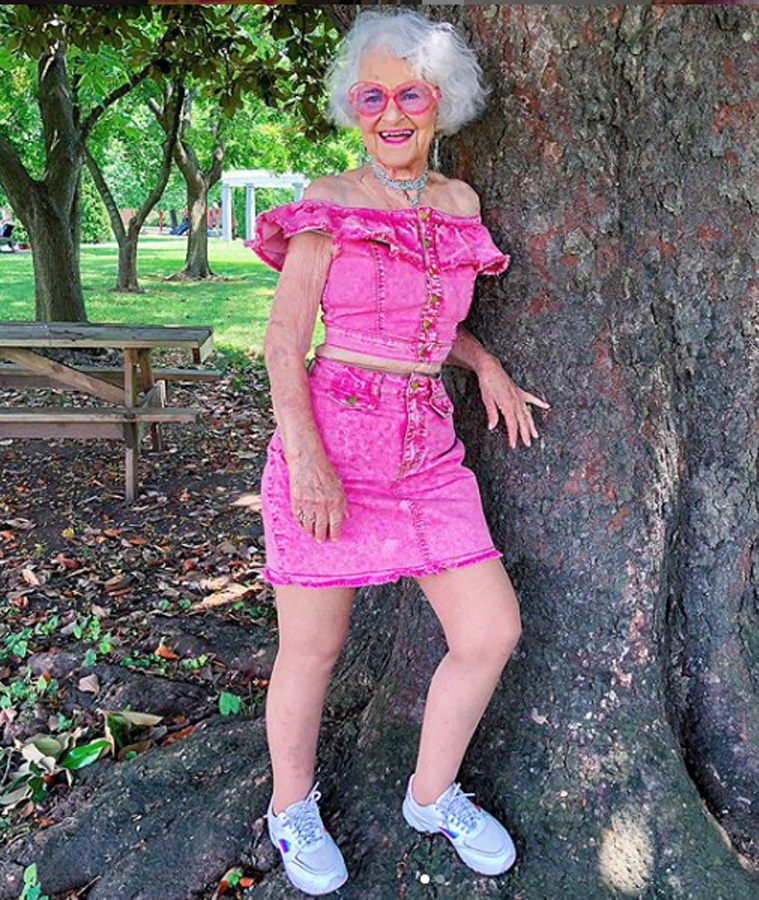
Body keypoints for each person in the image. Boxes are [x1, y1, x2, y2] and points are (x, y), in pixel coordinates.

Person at [245, 9, 550, 896]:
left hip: (425, 445)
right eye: (371, 96)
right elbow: (283, 340)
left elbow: (424, 324)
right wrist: (306, 459)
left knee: (490, 631)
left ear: (439, 104)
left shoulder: (458, 207)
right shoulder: (329, 200)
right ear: (352, 106)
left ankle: (430, 796)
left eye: (410, 95)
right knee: (312, 648)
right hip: (332, 436)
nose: (390, 113)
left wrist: (483, 361)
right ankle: (289, 808)